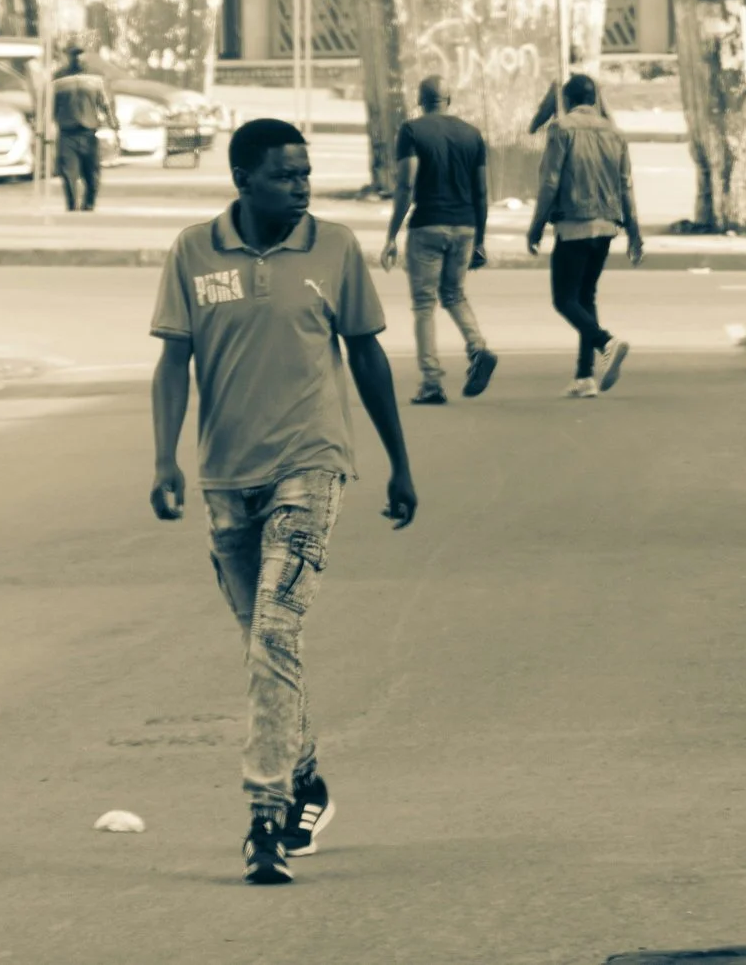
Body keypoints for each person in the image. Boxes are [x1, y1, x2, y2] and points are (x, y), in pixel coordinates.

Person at [148, 117, 418, 885]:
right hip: (225, 478)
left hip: (312, 463)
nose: (301, 187)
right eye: (284, 175)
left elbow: (365, 353)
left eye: (306, 173)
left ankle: (264, 817)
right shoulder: (193, 252)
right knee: (264, 644)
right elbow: (174, 361)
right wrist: (164, 458)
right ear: (243, 179)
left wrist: (399, 462)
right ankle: (305, 778)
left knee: (275, 629)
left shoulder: (334, 248)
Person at [380, 76, 497, 404]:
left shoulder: (412, 131)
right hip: (465, 226)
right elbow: (482, 191)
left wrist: (391, 235)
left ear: (420, 100)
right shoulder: (472, 134)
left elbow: (406, 184)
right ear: (449, 98)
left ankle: (431, 382)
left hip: (428, 226)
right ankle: (478, 348)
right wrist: (480, 240)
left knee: (423, 304)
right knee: (454, 295)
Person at [525, 74, 643, 398]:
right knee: (585, 297)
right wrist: (635, 234)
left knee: (564, 300)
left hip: (574, 224)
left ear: (567, 99)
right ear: (594, 99)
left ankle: (606, 342)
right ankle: (584, 376)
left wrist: (536, 225)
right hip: (606, 227)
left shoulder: (561, 129)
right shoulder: (615, 132)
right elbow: (626, 185)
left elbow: (550, 181)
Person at [51, 45, 116, 212]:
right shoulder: (58, 77)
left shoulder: (96, 77)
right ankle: (72, 206)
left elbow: (105, 103)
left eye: (80, 54)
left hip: (89, 132)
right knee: (68, 173)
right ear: (67, 56)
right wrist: (47, 126)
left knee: (92, 174)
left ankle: (89, 204)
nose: (77, 58)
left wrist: (112, 123)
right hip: (67, 133)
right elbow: (50, 106)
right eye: (73, 54)